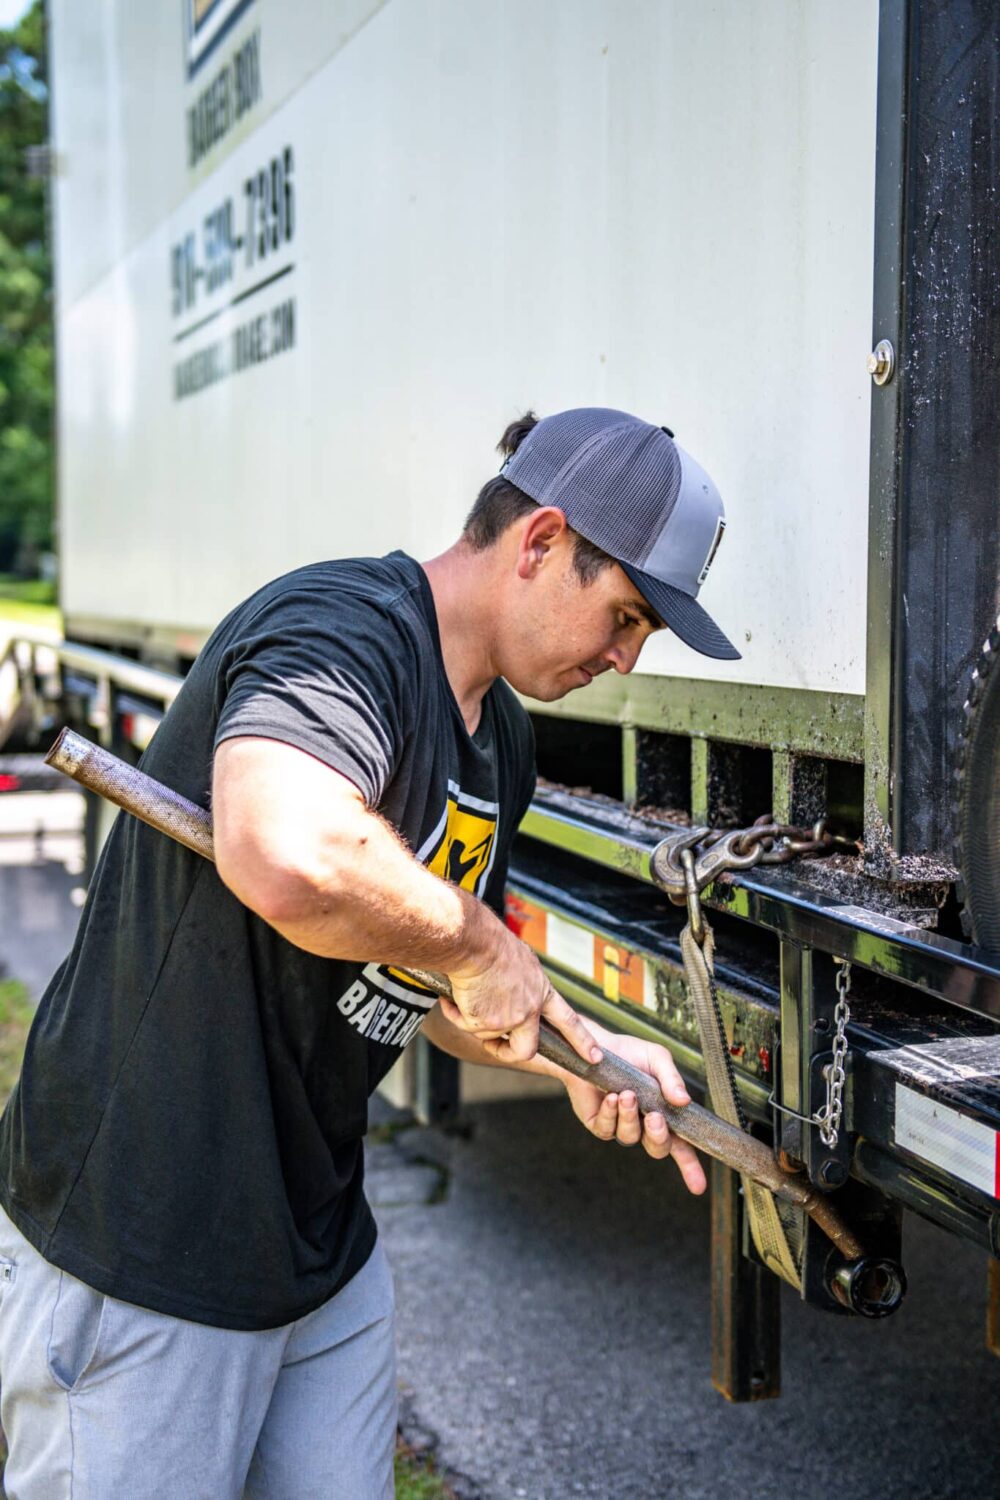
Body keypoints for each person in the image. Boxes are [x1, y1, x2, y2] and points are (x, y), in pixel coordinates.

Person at [0, 406, 739, 1498]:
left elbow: (426, 981)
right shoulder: (343, 628)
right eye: (624, 615)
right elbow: (282, 848)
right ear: (539, 542)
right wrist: (480, 936)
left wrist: (583, 1060)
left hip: (316, 1251)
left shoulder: (503, 740)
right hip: (144, 1245)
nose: (624, 657)